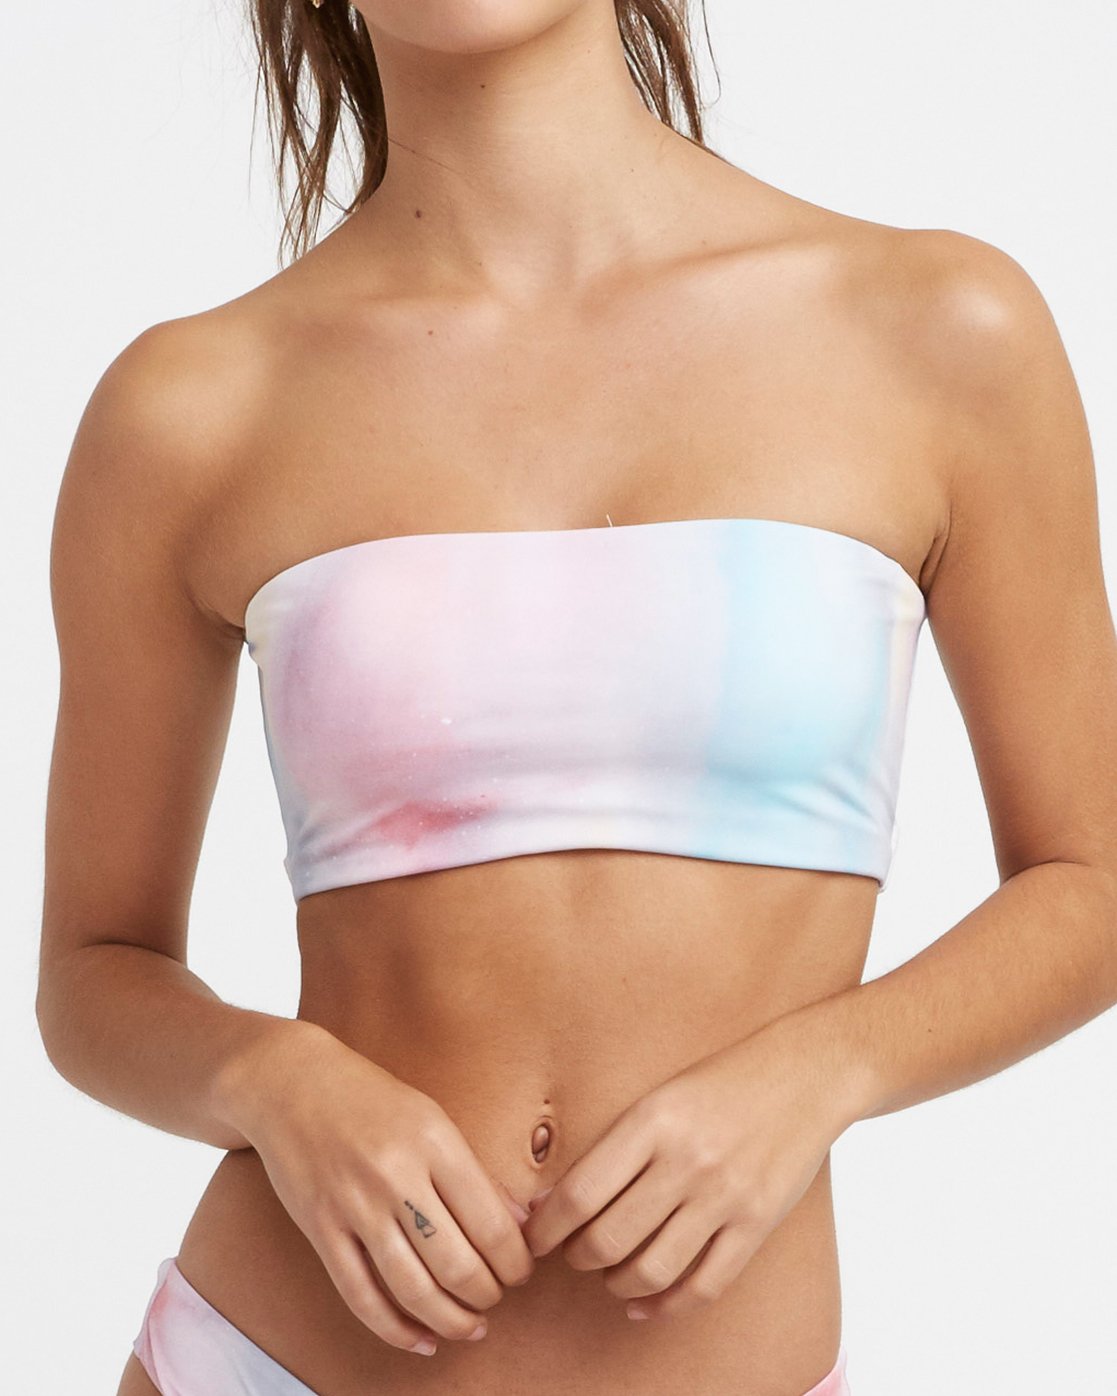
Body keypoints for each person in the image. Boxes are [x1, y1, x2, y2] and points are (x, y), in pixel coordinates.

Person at [36, 2, 1117, 1394]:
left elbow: (1093, 879)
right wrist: (274, 1084)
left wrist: (823, 1071)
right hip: (270, 1356)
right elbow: (95, 971)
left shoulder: (933, 331)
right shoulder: (191, 407)